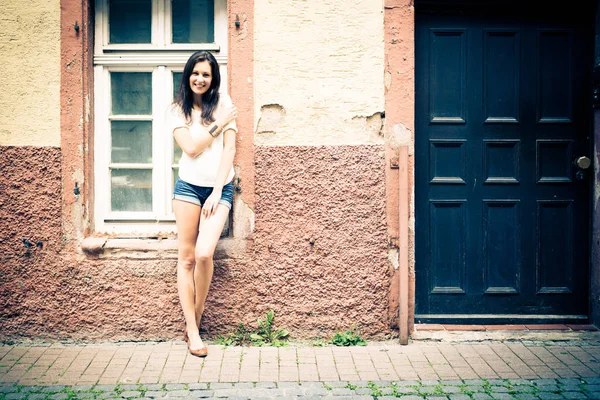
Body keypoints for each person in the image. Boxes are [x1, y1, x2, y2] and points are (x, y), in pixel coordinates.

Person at [167, 50, 238, 357]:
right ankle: (193, 332)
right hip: (186, 188)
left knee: (204, 253)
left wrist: (216, 189)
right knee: (186, 259)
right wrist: (217, 125)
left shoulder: (223, 102)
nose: (200, 79)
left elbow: (230, 150)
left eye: (206, 74)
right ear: (188, 75)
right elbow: (192, 148)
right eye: (195, 73)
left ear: (213, 78)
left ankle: (195, 317)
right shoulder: (177, 109)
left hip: (218, 190)